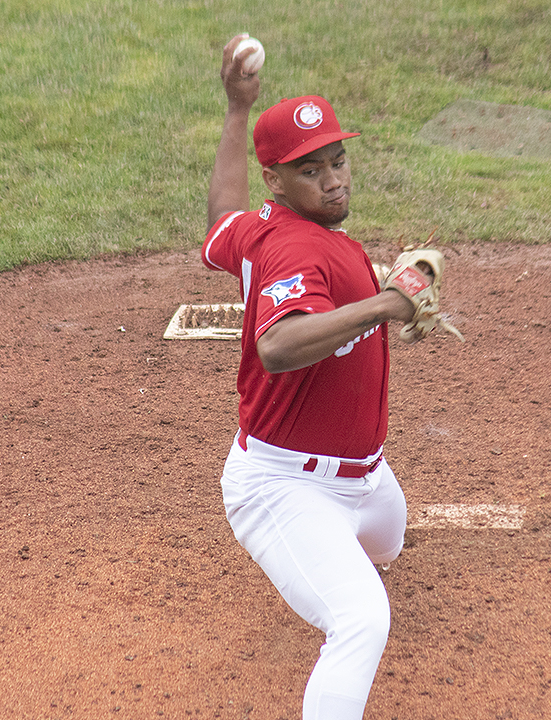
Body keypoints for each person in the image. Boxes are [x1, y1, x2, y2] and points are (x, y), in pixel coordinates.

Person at [202, 34, 425, 720]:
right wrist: (392, 301)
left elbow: (220, 221)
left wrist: (238, 110)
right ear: (279, 182)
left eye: (338, 160)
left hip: (366, 476)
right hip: (285, 486)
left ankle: (356, 544)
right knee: (362, 619)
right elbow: (278, 345)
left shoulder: (263, 229)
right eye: (310, 171)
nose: (333, 180)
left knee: (390, 536)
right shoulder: (297, 248)